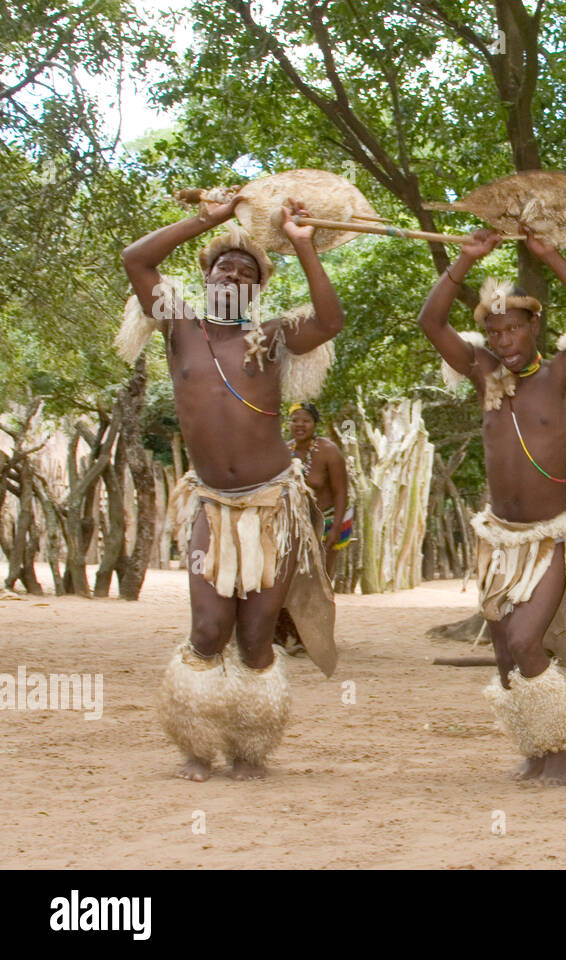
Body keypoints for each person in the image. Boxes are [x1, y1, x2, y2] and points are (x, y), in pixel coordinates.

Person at [120, 196, 342, 781]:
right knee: (207, 629)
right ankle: (196, 745)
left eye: (248, 272)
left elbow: (329, 321)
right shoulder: (179, 327)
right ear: (207, 276)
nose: (236, 275)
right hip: (212, 507)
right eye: (225, 267)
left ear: (257, 290)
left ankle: (250, 749)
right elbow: (136, 260)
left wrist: (300, 243)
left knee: (254, 637)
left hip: (272, 506)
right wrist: (216, 219)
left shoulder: (269, 338)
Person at [417, 225, 566, 787]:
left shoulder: (562, 374)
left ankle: (563, 748)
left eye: (513, 328)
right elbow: (431, 324)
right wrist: (463, 260)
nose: (504, 340)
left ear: (534, 326)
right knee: (505, 653)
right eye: (494, 331)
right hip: (499, 538)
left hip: (548, 535)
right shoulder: (483, 374)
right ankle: (534, 746)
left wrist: (551, 253)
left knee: (527, 641)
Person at [286, 402, 350, 578]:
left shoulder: (329, 451)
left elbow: (341, 492)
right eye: (294, 420)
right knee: (294, 580)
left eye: (306, 420)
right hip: (297, 523)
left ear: (315, 424)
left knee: (322, 577)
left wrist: (335, 528)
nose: (299, 425)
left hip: (327, 521)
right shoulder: (285, 452)